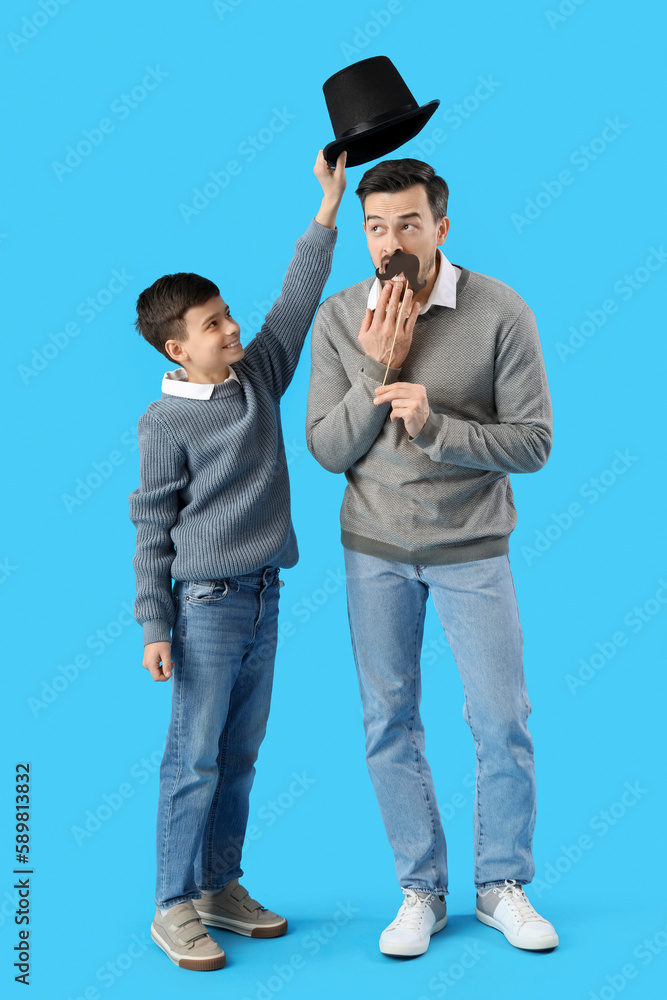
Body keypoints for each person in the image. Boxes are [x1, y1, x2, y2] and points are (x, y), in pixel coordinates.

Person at [306, 157, 558, 958]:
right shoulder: (340, 318)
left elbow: (533, 442)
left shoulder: (498, 311)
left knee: (500, 718)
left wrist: (435, 424)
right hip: (372, 550)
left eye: (407, 224)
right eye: (375, 226)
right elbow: (325, 448)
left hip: (471, 548)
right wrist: (379, 365)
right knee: (388, 723)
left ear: (441, 228)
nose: (389, 242)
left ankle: (501, 886)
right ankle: (420, 889)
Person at [128, 148, 346, 971]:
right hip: (205, 607)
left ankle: (219, 883)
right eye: (213, 324)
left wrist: (325, 210)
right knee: (195, 756)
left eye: (226, 313)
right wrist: (155, 623)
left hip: (264, 596)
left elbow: (295, 303)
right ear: (178, 351)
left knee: (242, 753)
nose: (233, 326)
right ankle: (172, 903)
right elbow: (151, 526)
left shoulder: (256, 379)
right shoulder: (165, 425)